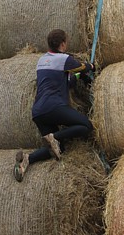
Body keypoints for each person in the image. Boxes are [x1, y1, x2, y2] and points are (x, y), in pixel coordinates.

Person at [13, 29, 95, 182]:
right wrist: (92, 66)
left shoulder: (42, 60)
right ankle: (53, 137)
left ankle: (26, 160)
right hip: (54, 107)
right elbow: (83, 67)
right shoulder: (64, 58)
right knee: (86, 126)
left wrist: (76, 77)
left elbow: (67, 81)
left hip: (38, 112)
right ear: (63, 43)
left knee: (59, 149)